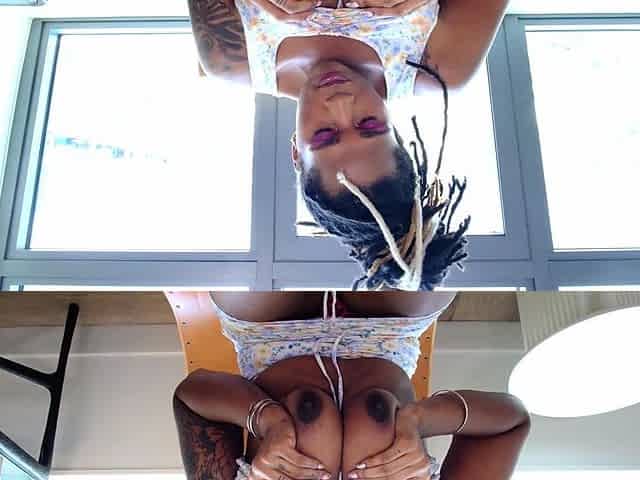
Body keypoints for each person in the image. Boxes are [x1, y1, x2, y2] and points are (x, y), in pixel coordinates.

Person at [188, 0, 509, 290]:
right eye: (368, 124)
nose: (341, 102)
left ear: (296, 150)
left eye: (325, 134)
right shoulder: (438, 65)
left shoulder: (231, 57)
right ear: (396, 133)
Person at [173, 292, 531, 480]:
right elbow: (510, 420)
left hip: (267, 331)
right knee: (417, 235)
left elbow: (192, 396)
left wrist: (265, 419)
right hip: (390, 329)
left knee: (257, 225)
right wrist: (419, 420)